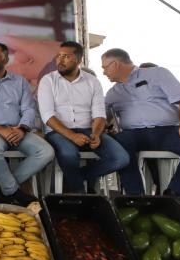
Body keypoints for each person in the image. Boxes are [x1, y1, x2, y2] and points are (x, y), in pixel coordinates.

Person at [0, 43, 53, 206]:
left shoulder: (19, 82)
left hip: (17, 130)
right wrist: (1, 130)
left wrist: (21, 128)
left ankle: (4, 187)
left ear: (5, 58)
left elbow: (28, 108)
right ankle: (12, 191)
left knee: (46, 152)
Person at [38, 42, 129, 193]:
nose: (60, 61)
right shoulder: (48, 81)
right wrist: (72, 136)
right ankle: (81, 193)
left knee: (121, 158)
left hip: (88, 131)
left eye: (66, 57)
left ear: (78, 60)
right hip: (58, 132)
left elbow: (99, 113)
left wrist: (97, 134)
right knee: (68, 154)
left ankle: (74, 179)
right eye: (59, 56)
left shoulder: (92, 82)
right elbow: (47, 116)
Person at [102, 48, 180, 196]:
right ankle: (135, 197)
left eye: (105, 67)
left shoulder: (157, 73)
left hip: (168, 131)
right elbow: (100, 118)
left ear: (116, 64)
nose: (104, 72)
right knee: (118, 146)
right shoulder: (112, 93)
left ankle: (174, 193)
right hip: (133, 135)